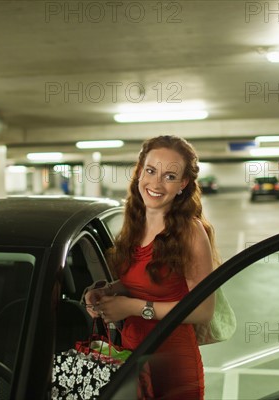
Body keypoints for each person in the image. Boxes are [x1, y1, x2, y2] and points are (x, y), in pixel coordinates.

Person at [85, 135, 220, 399]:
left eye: (169, 176)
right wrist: (107, 292)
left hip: (173, 366)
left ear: (183, 184)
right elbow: (140, 280)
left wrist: (134, 308)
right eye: (151, 171)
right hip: (131, 358)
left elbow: (204, 310)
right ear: (139, 173)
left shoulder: (190, 233)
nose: (156, 183)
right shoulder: (135, 224)